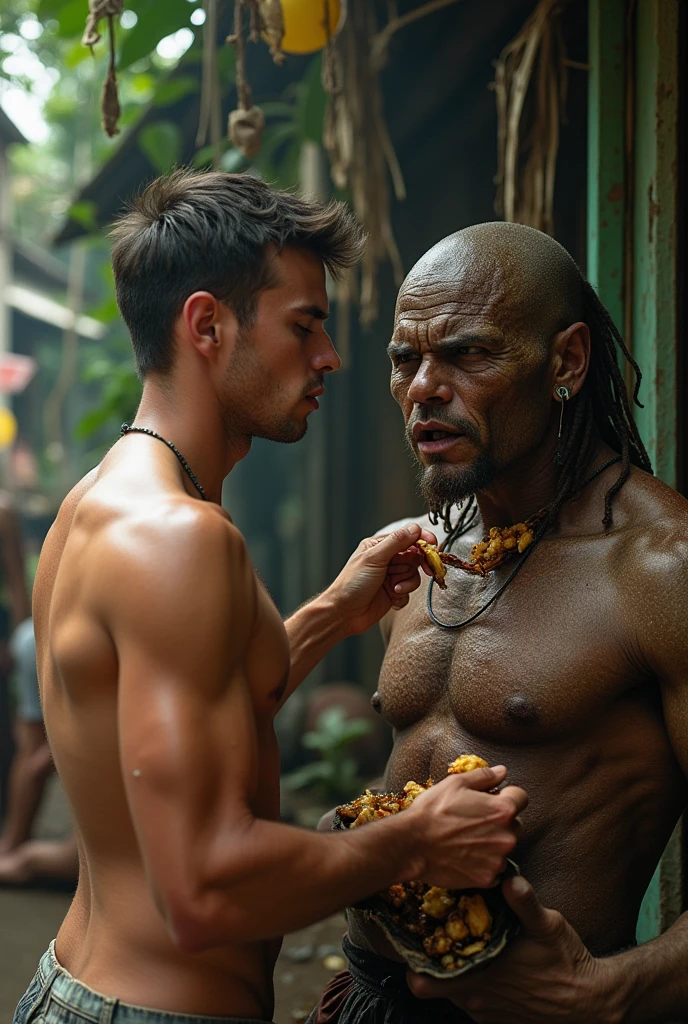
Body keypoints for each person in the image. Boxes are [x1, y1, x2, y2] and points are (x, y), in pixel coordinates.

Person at [13, 173, 527, 1024]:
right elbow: (206, 890)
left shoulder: (96, 503)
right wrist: (414, 840)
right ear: (207, 325)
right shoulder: (181, 541)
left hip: (86, 986)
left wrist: (330, 612)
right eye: (305, 325)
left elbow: (158, 723)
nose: (328, 357)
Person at [307, 222, 688, 1024]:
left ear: (567, 362)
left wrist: (611, 994)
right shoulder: (417, 558)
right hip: (366, 998)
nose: (423, 389)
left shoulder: (657, 568)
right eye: (405, 360)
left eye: (469, 354)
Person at [0, 617, 79, 885]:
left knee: (32, 752)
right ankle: (22, 858)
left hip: (35, 630)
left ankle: (12, 843)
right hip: (67, 637)